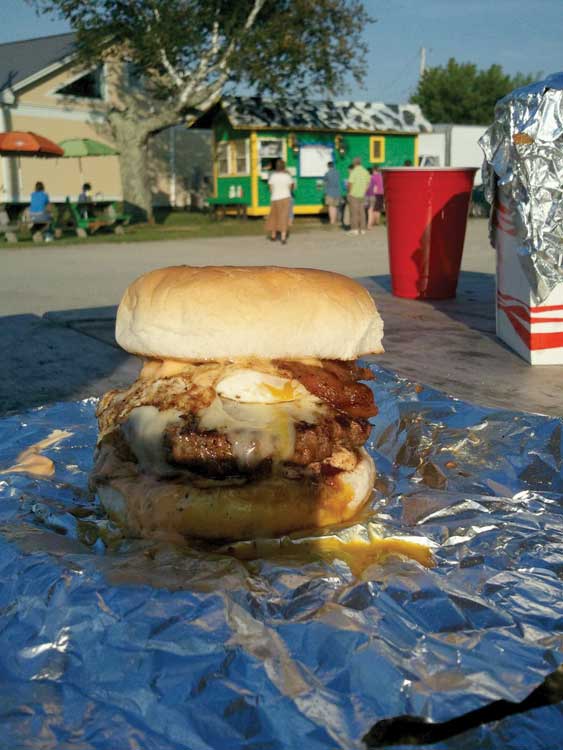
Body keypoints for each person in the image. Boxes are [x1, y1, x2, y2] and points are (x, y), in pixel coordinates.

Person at [266, 158, 294, 244]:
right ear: (284, 166)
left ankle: (273, 235)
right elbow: (291, 187)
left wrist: (274, 193)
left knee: (274, 216)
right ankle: (283, 237)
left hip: (275, 198)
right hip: (285, 197)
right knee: (284, 216)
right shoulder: (287, 176)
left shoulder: (273, 176)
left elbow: (270, 189)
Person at [347, 157, 370, 235]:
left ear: (354, 163)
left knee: (354, 212)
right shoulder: (365, 171)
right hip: (362, 194)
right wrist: (364, 191)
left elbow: (350, 183)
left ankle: (355, 229)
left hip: (354, 194)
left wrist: (349, 192)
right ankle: (363, 229)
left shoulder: (354, 172)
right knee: (362, 212)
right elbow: (368, 183)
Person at [323, 161, 341, 226]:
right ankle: (335, 220)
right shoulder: (338, 173)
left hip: (329, 192)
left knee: (331, 207)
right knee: (335, 207)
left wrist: (324, 192)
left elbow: (325, 183)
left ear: (328, 166)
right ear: (333, 165)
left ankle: (332, 221)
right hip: (337, 192)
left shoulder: (327, 174)